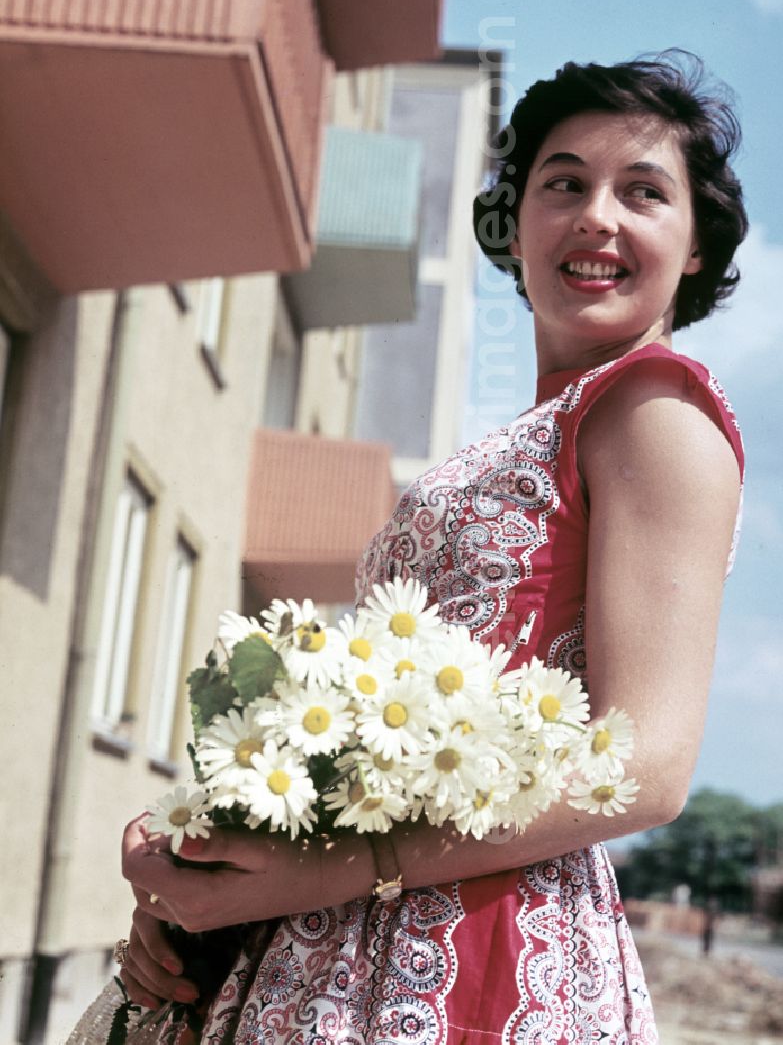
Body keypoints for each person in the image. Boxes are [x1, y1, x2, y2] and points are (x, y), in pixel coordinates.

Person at [120, 50, 749, 1043]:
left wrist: (321, 869)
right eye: (563, 184)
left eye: (643, 192)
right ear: (514, 226)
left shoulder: (653, 410)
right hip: (328, 938)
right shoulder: (527, 433)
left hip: (486, 957)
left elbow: (647, 765)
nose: (596, 215)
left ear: (697, 245)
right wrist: (212, 856)